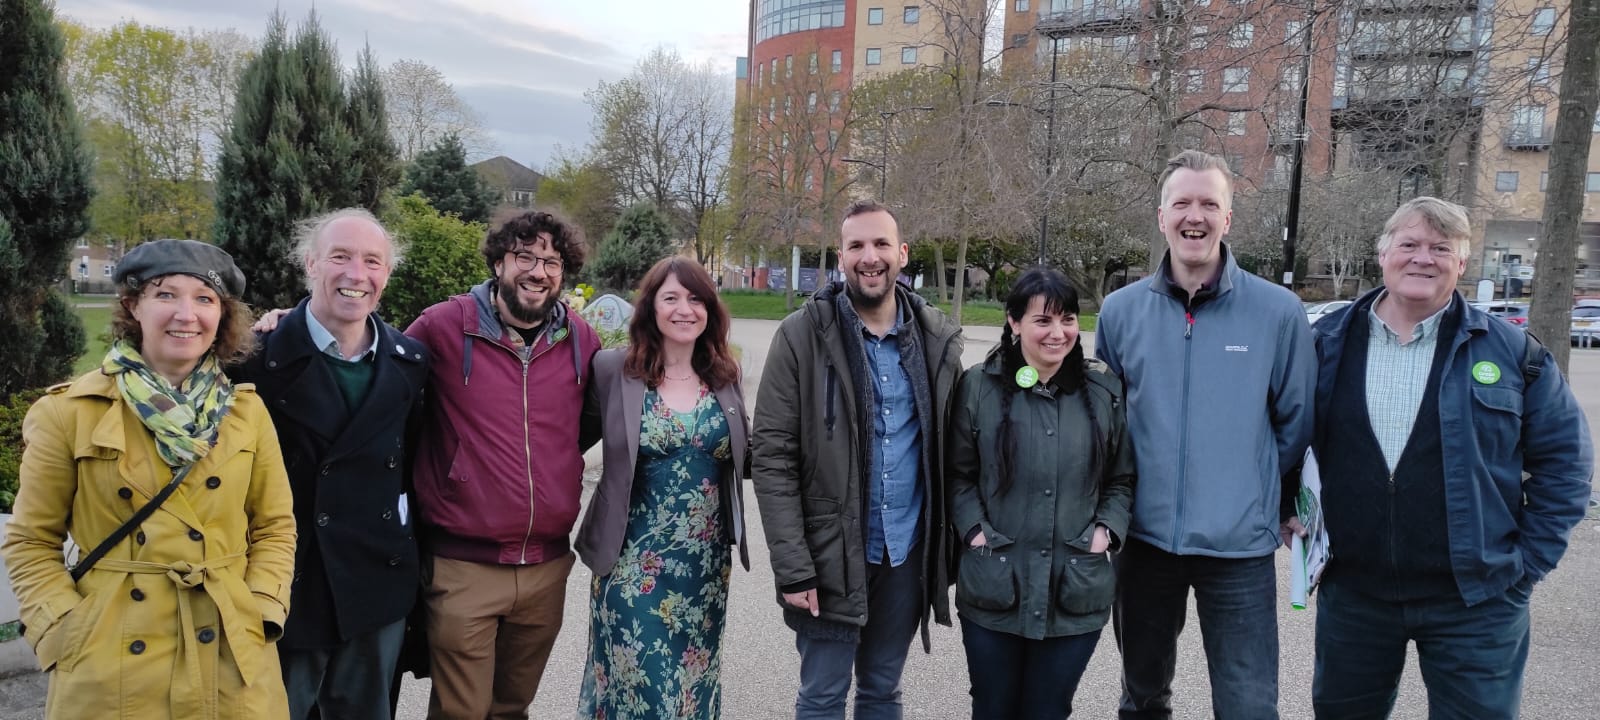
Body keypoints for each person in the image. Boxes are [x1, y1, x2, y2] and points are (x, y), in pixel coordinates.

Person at [1303, 197, 1593, 719]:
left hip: (1478, 599)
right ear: (1383, 253)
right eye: (1409, 244)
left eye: (1441, 248)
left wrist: (1526, 566)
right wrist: (1289, 510)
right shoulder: (1323, 344)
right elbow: (1282, 437)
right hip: (1355, 594)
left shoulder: (1515, 354)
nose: (1423, 258)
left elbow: (1565, 464)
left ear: (1462, 262)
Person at [2, 239, 297, 718]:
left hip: (231, 652)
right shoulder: (68, 412)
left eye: (204, 299)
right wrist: (62, 629)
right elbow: (31, 540)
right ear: (132, 306)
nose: (186, 314)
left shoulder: (246, 412)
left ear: (221, 315)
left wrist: (262, 608)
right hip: (108, 660)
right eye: (165, 295)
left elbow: (275, 527)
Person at [1095, 149, 1315, 720]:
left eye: (1209, 204)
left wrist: (1253, 491)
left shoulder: (1278, 312)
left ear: (1228, 217)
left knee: (1248, 705)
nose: (1195, 216)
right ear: (1162, 215)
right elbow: (1108, 424)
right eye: (1182, 203)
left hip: (1238, 548)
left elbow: (1294, 421)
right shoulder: (1119, 312)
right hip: (1144, 543)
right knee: (1142, 697)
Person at [751, 199, 965, 720]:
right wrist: (793, 567)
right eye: (857, 246)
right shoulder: (800, 336)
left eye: (881, 244)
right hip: (829, 555)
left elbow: (957, 449)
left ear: (902, 253)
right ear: (840, 256)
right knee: (823, 695)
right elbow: (772, 458)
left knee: (882, 690)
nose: (870, 257)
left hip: (904, 554)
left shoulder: (936, 339)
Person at [404, 209, 602, 719]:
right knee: (462, 712)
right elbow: (381, 375)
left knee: (512, 708)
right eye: (525, 257)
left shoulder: (581, 340)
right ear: (498, 263)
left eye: (552, 262)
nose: (538, 272)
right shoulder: (444, 327)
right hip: (464, 566)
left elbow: (586, 427)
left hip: (546, 568)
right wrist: (292, 322)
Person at [231, 209, 429, 720]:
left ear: (387, 274)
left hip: (375, 585)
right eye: (340, 256)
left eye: (373, 261)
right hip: (289, 586)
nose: (356, 274)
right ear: (311, 263)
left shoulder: (411, 363)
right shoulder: (254, 358)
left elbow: (410, 470)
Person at [946, 267, 1135, 720]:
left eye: (1067, 319)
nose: (1058, 332)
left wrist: (1105, 532)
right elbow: (957, 474)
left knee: (1048, 710)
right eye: (1042, 320)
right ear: (1014, 322)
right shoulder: (978, 386)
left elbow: (1122, 478)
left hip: (1075, 589)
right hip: (994, 585)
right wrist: (974, 531)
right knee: (993, 708)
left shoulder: (1102, 390)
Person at [574, 256, 751, 719]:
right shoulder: (614, 370)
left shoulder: (725, 377)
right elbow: (566, 444)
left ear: (710, 309)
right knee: (647, 699)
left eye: (696, 299)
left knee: (691, 692)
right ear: (650, 307)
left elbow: (750, 454)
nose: (684, 309)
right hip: (632, 568)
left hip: (705, 573)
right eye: (671, 298)